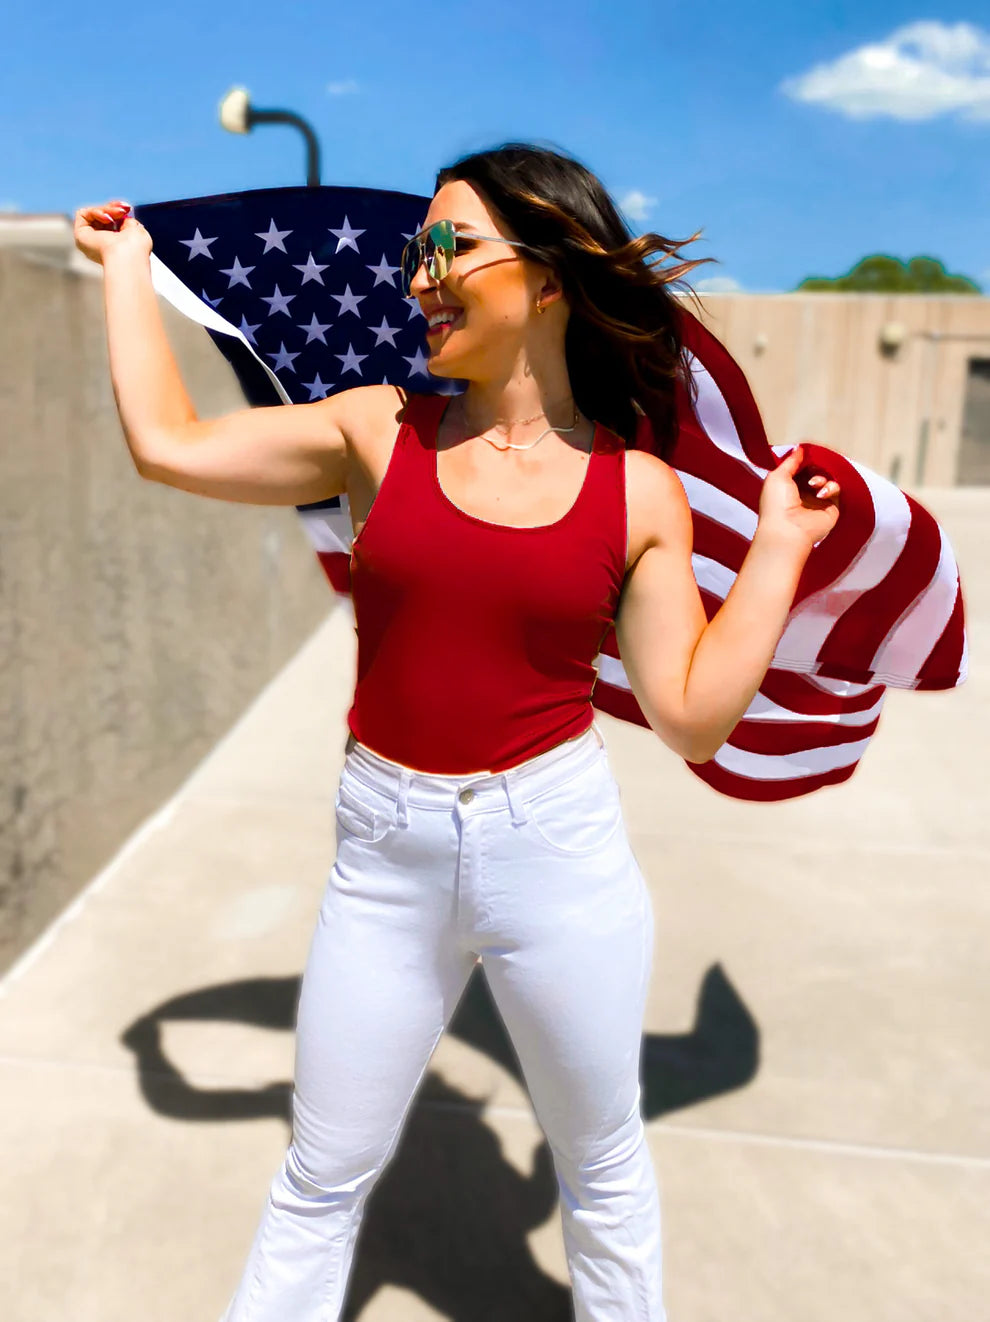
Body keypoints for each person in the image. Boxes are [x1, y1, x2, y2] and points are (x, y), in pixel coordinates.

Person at [75, 141, 840, 1322]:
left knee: (600, 1168)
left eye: (449, 248)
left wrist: (781, 549)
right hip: (386, 856)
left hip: (558, 853)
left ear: (546, 277)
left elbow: (691, 713)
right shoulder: (379, 430)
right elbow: (167, 444)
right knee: (319, 1178)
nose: (418, 275)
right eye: (413, 250)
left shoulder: (638, 491)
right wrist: (129, 263)